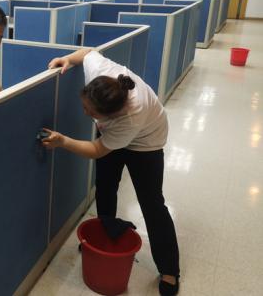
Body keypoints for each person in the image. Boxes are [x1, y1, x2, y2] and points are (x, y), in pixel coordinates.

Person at [43, 48, 180, 296]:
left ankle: (169, 269)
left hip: (147, 142)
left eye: (91, 112)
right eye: (85, 106)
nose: (86, 113)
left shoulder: (130, 116)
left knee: (152, 204)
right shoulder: (100, 72)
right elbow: (88, 53)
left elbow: (97, 149)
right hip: (114, 134)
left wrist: (63, 142)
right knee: (105, 186)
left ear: (111, 115)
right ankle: (105, 235)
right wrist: (68, 59)